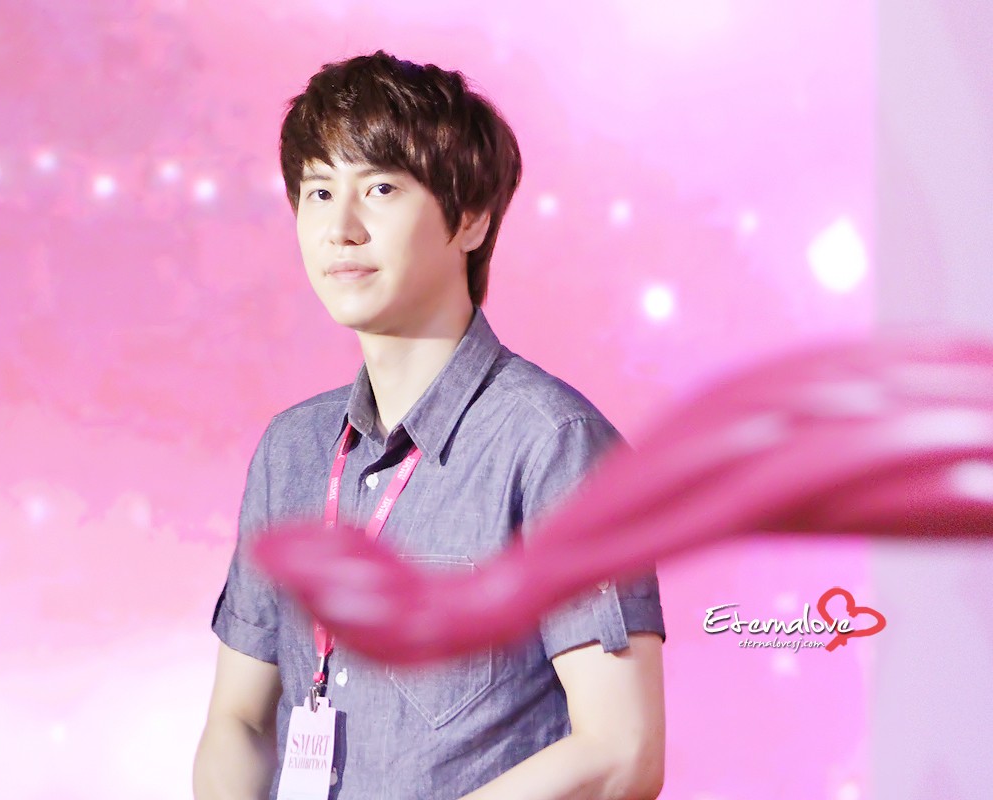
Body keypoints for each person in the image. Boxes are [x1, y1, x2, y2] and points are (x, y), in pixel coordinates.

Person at [193, 51, 666, 800]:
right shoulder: (291, 451)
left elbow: (621, 751)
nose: (340, 228)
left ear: (471, 218)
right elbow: (240, 722)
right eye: (319, 191)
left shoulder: (555, 445)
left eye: (380, 188)